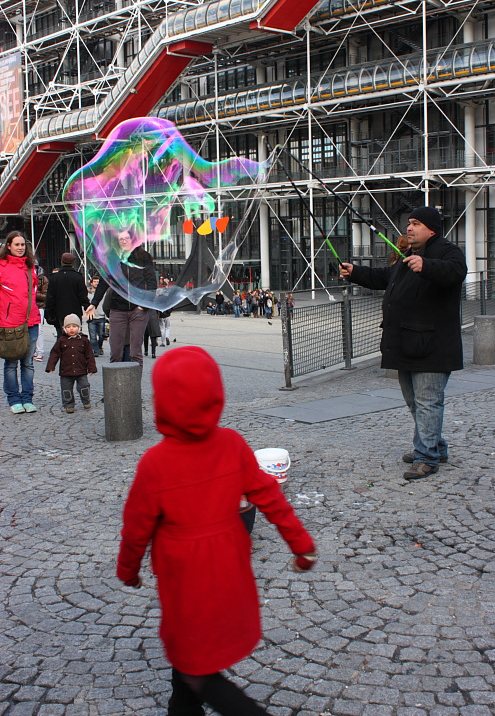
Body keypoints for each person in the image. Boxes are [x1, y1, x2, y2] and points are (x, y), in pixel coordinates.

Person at [116, 346, 316, 716]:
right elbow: (270, 497)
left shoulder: (155, 464)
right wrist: (301, 545)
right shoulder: (232, 445)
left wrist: (128, 571)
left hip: (185, 580)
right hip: (228, 568)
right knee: (188, 667)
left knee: (197, 672)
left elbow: (136, 529)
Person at [340, 206, 467, 481]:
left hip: (431, 346)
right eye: (409, 223)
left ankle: (427, 457)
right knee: (415, 402)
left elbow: (456, 272)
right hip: (407, 344)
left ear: (431, 229)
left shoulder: (446, 251)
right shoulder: (410, 255)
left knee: (428, 402)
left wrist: (427, 266)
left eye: (416, 223)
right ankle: (435, 446)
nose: (409, 228)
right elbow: (384, 278)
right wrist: (355, 272)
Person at [85, 229, 157, 370]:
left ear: (133, 239)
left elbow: (152, 284)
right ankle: (116, 387)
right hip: (118, 308)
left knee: (135, 352)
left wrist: (144, 305)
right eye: (120, 239)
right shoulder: (113, 258)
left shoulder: (144, 258)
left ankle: (134, 387)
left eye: (126, 238)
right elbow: (104, 282)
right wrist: (94, 303)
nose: (123, 241)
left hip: (138, 309)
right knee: (116, 350)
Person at [0, 231, 41, 414]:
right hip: (10, 323)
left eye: (23, 245)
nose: (20, 248)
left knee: (28, 363)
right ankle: (14, 398)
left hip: (30, 321)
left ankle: (27, 398)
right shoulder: (1, 266)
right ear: (8, 246)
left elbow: (33, 293)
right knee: (11, 364)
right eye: (16, 245)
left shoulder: (31, 267)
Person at [45, 314, 97, 413]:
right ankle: (69, 405)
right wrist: (51, 366)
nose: (71, 329)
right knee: (66, 390)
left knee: (84, 386)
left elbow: (89, 355)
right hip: (66, 371)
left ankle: (86, 401)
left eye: (74, 326)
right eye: (68, 327)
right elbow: (54, 354)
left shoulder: (84, 340)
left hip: (81, 370)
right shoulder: (61, 340)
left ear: (79, 327)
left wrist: (91, 368)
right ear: (64, 329)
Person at [44, 252, 90, 338]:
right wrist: (87, 308)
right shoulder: (78, 277)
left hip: (59, 313)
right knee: (75, 336)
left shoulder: (54, 278)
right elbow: (83, 296)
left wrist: (49, 314)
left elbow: (50, 298)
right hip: (75, 312)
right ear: (73, 263)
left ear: (61, 262)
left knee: (61, 336)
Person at [87, 276, 106, 357]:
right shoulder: (88, 294)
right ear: (91, 283)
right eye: (94, 281)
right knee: (92, 336)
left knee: (102, 335)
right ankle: (96, 351)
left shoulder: (103, 293)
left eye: (97, 281)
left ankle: (99, 346)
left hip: (101, 316)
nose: (96, 283)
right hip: (92, 317)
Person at [34, 259, 48, 362]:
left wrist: (33, 293)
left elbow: (45, 295)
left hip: (39, 306)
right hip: (28, 305)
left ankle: (40, 351)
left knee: (39, 330)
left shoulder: (43, 279)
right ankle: (33, 350)